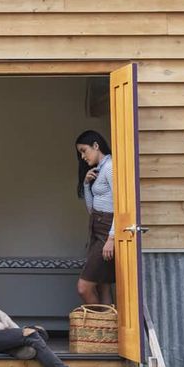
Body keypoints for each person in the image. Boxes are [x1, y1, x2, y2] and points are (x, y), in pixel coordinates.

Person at [75, 130, 115, 306]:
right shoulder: (98, 170)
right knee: (103, 286)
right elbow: (92, 210)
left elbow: (121, 206)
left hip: (107, 231)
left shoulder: (110, 167)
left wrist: (111, 238)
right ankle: (109, 331)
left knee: (84, 287)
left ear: (96, 146)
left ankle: (102, 329)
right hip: (96, 229)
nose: (82, 156)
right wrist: (86, 184)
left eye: (84, 150)